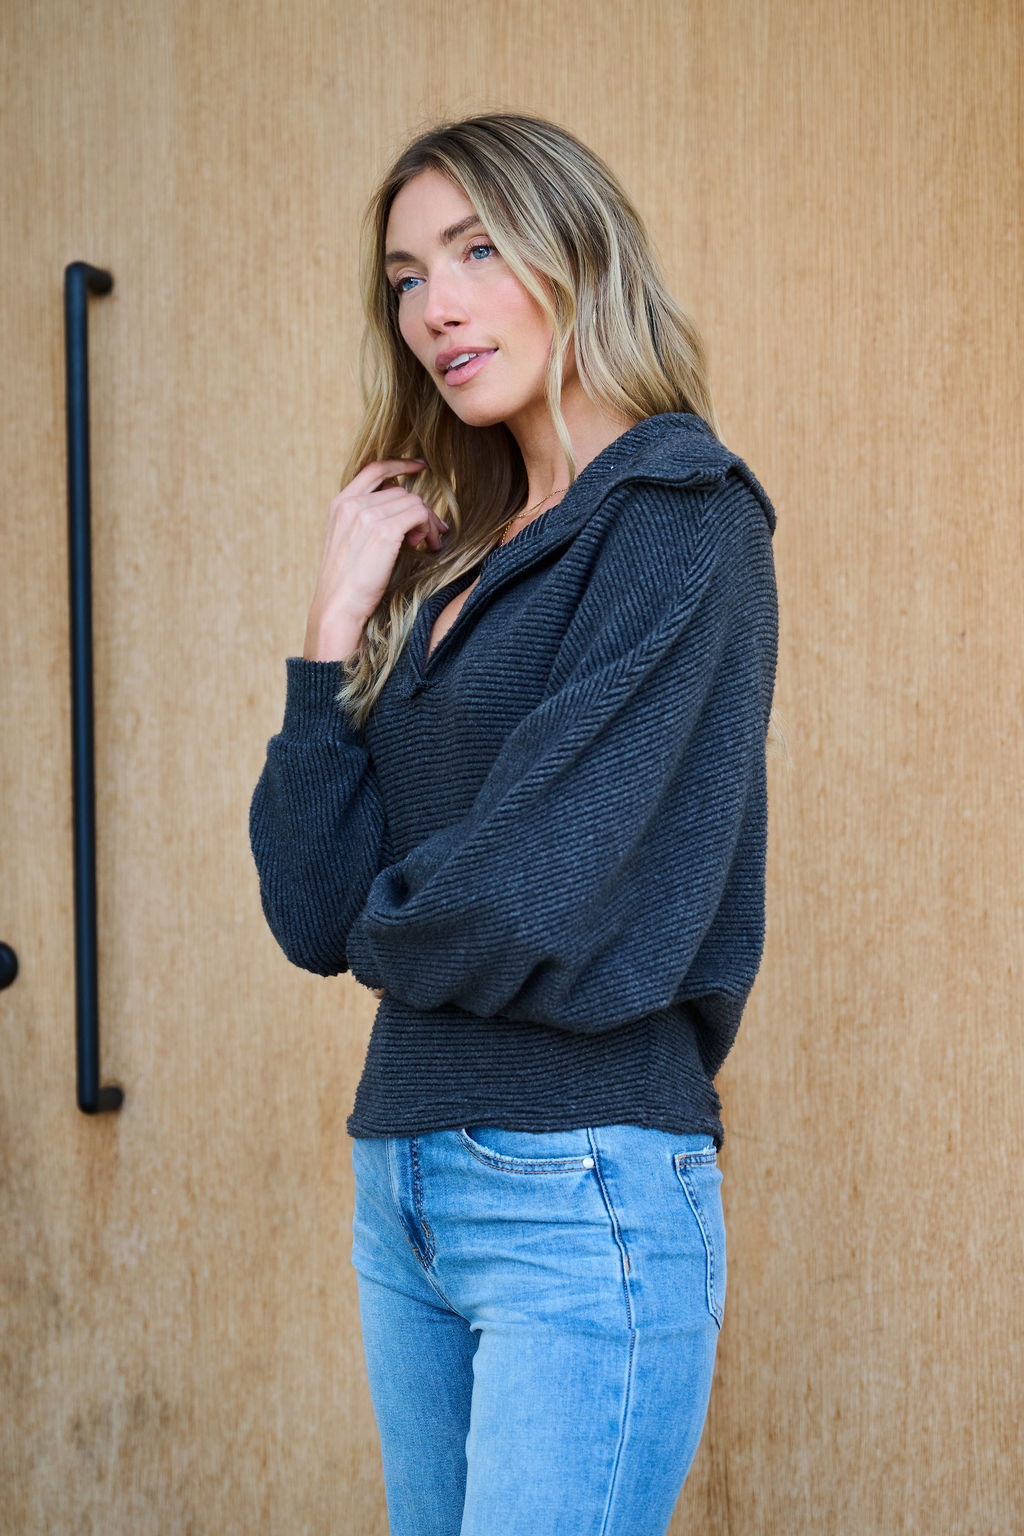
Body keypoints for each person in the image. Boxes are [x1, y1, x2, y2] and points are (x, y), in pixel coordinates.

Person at [249, 111, 777, 1536]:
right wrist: (331, 630)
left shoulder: (682, 515)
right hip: (405, 1175)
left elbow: (531, 888)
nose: (438, 308)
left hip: (580, 1183)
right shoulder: (464, 557)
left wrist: (392, 927)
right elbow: (313, 911)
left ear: (577, 251)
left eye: (477, 249)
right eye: (408, 276)